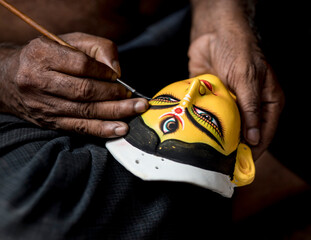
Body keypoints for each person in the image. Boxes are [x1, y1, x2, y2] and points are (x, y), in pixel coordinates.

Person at [0, 0, 285, 238]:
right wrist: (4, 73)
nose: (193, 90)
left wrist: (223, 10)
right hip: (22, 82)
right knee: (24, 220)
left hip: (247, 22)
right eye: (168, 104)